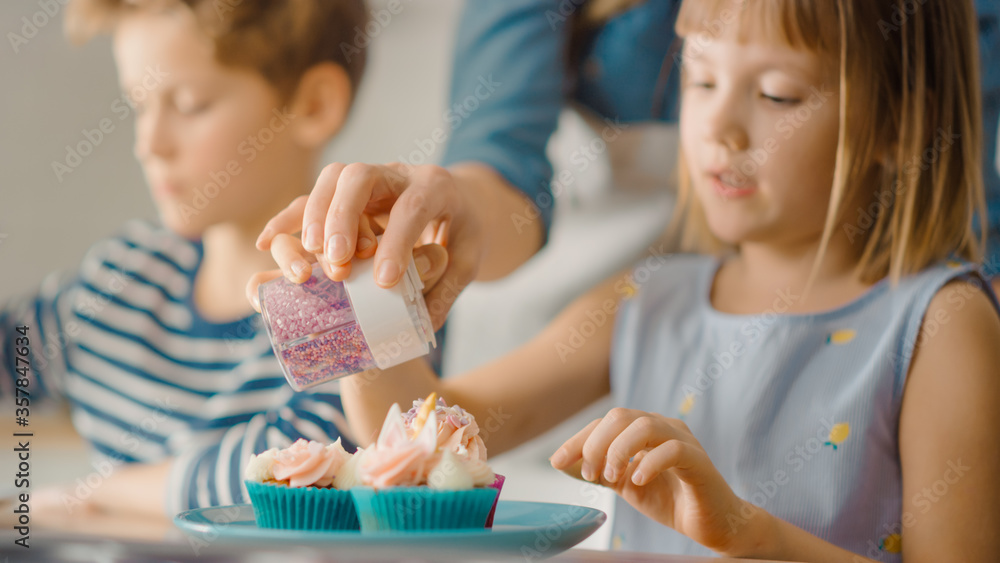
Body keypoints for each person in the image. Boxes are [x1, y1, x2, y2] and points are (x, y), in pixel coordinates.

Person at [260, 0, 1000, 559]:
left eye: (776, 94)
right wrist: (359, 290)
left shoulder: (943, 327)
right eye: (701, 79)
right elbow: (433, 425)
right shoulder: (647, 299)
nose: (720, 128)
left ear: (903, 124)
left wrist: (746, 532)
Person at [0, 0, 407, 520]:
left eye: (190, 104)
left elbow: (305, 468)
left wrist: (99, 494)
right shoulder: (119, 278)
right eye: (139, 105)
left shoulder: (349, 297)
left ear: (313, 104)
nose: (149, 143)